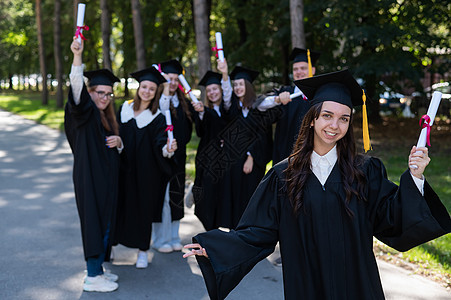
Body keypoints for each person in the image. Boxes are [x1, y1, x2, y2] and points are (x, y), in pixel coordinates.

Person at [183, 69, 451, 299]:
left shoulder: (365, 171)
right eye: (327, 116)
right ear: (312, 118)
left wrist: (415, 176)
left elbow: (391, 217)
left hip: (356, 284)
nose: (335, 125)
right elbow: (257, 232)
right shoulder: (283, 175)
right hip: (307, 284)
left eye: (343, 118)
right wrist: (216, 249)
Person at [65, 38, 122, 292]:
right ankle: (91, 276)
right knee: (92, 222)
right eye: (101, 93)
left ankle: (98, 269)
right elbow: (76, 88)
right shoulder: (83, 112)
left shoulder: (105, 116)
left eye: (109, 94)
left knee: (104, 221)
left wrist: (119, 142)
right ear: (90, 93)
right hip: (89, 178)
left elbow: (113, 145)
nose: (106, 98)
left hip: (105, 180)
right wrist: (77, 57)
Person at [114, 66, 177, 269]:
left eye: (151, 88)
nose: (147, 91)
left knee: (143, 211)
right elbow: (115, 133)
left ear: (156, 91)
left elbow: (162, 145)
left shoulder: (157, 117)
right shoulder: (124, 109)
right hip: (122, 170)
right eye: (144, 87)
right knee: (118, 208)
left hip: (145, 173)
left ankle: (143, 251)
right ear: (138, 88)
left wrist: (168, 149)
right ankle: (112, 247)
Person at [217, 65, 274, 229]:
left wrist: (251, 156)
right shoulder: (232, 108)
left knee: (249, 199)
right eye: (235, 85)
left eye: (241, 84)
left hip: (252, 163)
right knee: (232, 198)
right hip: (233, 163)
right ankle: (234, 236)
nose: (237, 88)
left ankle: (249, 236)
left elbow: (263, 136)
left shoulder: (259, 107)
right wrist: (225, 74)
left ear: (248, 86)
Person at [151, 59, 193, 253]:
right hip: (162, 155)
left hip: (180, 154)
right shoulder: (159, 101)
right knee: (161, 196)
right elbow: (163, 111)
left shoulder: (182, 102)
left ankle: (174, 236)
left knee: (176, 196)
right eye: (169, 78)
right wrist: (166, 88)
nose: (173, 83)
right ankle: (160, 238)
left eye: (177, 79)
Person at [258, 47, 321, 165]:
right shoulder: (285, 92)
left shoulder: (320, 96)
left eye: (303, 68)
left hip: (313, 156)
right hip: (285, 156)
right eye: (295, 69)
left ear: (313, 70)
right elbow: (260, 104)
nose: (298, 72)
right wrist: (277, 99)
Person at [191, 59, 233, 231]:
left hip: (226, 160)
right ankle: (210, 230)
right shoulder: (203, 111)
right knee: (207, 197)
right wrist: (200, 114)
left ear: (221, 90)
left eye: (215, 89)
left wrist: (224, 73)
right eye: (209, 90)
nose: (212, 93)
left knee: (224, 195)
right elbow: (200, 132)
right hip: (207, 159)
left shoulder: (228, 108)